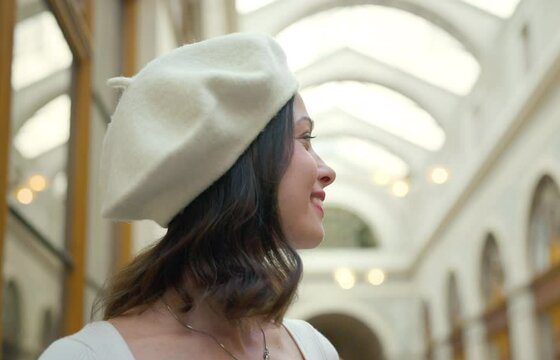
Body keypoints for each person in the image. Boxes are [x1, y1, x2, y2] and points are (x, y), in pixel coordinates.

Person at [39, 32, 338, 360]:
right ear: (240, 163)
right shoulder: (89, 355)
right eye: (305, 138)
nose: (327, 171)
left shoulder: (313, 348)